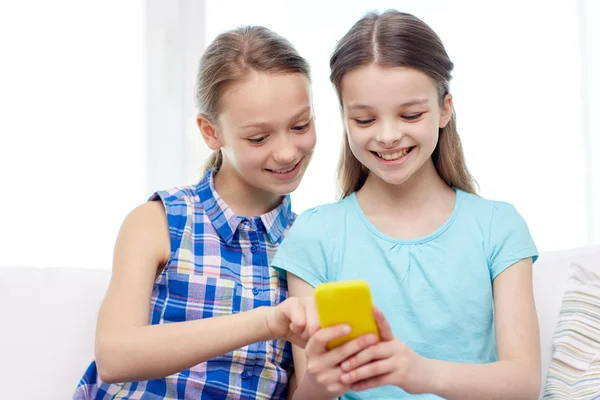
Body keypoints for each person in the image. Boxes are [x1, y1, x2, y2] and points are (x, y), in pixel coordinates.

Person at [272, 10, 541, 400]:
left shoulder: (498, 226)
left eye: (411, 114)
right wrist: (320, 379)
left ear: (445, 108)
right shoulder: (315, 235)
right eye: (364, 120)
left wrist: (421, 374)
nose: (388, 136)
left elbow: (524, 383)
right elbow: (308, 392)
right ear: (345, 119)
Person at [73, 25, 347, 399]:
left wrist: (326, 375)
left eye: (300, 125)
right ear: (210, 132)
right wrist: (267, 322)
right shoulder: (158, 221)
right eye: (259, 137)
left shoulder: (309, 245)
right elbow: (114, 357)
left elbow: (306, 391)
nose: (286, 152)